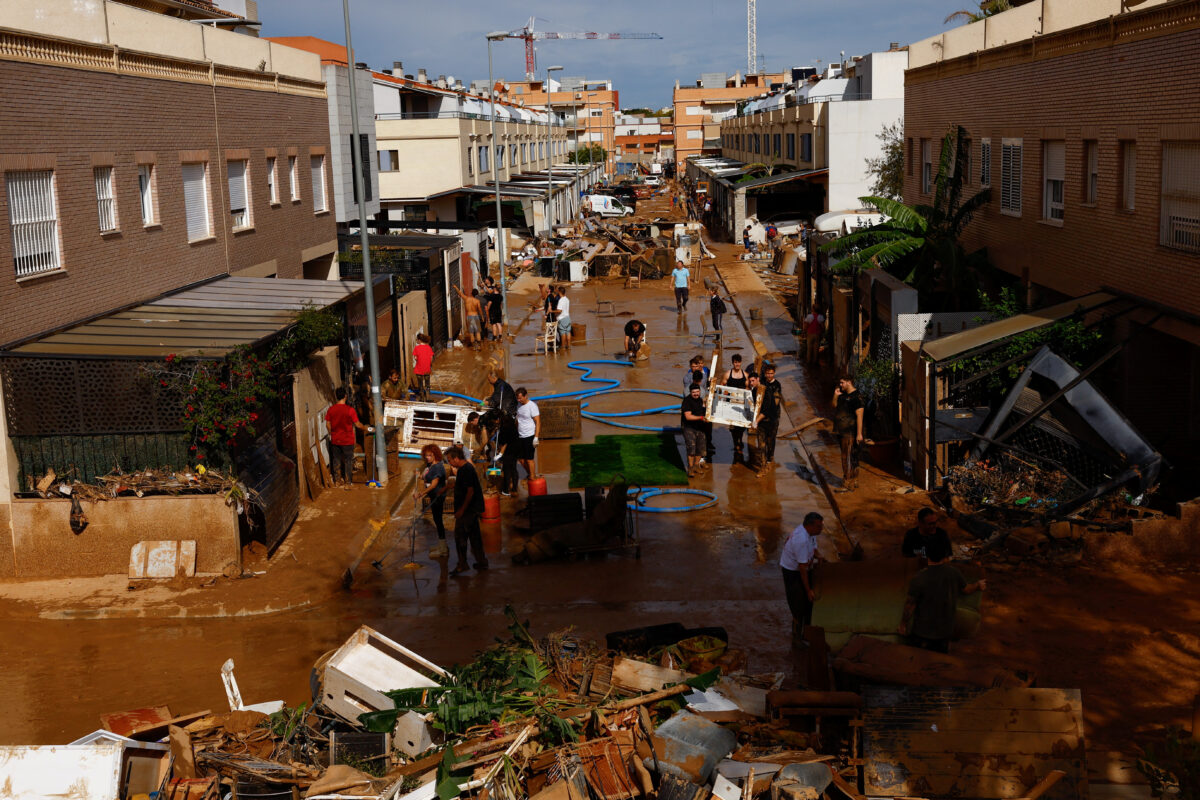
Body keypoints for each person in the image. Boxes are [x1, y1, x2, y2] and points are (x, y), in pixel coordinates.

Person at [899, 539, 986, 652]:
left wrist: (903, 624)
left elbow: (910, 605)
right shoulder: (953, 573)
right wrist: (978, 585)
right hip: (943, 634)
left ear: (928, 555)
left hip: (921, 632)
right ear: (945, 555)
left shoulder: (919, 577)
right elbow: (967, 590)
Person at [444, 446, 487, 576]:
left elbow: (470, 491)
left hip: (467, 510)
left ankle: (462, 564)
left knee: (460, 537)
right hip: (473, 509)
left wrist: (461, 510)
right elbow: (465, 486)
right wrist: (451, 486)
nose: (449, 463)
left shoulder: (465, 470)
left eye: (449, 460)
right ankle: (481, 562)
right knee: (475, 537)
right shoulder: (466, 469)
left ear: (456, 458)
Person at [780, 512, 823, 633]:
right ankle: (797, 636)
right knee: (797, 605)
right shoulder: (801, 540)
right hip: (792, 572)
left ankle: (807, 630)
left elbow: (814, 548)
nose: (821, 529)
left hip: (803, 567)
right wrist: (808, 590)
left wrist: (819, 556)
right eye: (819, 526)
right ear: (810, 526)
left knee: (808, 604)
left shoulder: (811, 534)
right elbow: (802, 569)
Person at [325, 386, 373, 488]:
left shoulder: (331, 410)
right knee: (348, 461)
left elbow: (327, 424)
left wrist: (332, 433)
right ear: (345, 396)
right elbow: (358, 425)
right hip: (347, 441)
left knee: (336, 460)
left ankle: (337, 481)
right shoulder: (350, 410)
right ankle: (348, 483)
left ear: (336, 396)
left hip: (335, 440)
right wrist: (368, 429)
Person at [416, 444, 449, 558]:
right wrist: (420, 476)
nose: (427, 458)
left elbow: (434, 484)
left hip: (437, 496)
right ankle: (441, 545)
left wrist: (420, 494)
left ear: (435, 455)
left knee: (438, 520)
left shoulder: (438, 467)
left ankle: (443, 549)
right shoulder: (430, 465)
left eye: (430, 456)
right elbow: (428, 477)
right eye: (426, 456)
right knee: (436, 519)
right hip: (433, 495)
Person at [833, 375, 865, 491]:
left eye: (842, 383)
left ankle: (847, 483)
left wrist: (859, 434)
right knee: (850, 456)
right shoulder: (842, 395)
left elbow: (859, 416)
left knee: (847, 457)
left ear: (849, 382)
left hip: (850, 431)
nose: (840, 385)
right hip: (841, 431)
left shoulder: (857, 397)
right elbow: (834, 406)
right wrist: (835, 396)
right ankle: (854, 480)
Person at [754, 363, 783, 474]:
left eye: (771, 373)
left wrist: (768, 405)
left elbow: (776, 402)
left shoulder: (777, 385)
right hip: (762, 417)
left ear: (774, 373)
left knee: (771, 440)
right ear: (765, 374)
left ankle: (770, 457)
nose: (769, 375)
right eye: (767, 373)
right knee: (761, 442)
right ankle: (763, 464)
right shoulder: (762, 382)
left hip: (773, 417)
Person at [723, 354, 750, 462]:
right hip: (731, 405)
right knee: (733, 427)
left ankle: (740, 441)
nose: (737, 364)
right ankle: (737, 444)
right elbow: (722, 387)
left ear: (741, 362)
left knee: (742, 426)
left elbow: (749, 388)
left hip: (742, 404)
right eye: (735, 362)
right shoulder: (727, 374)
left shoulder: (745, 375)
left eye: (738, 362)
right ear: (732, 363)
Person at [680, 382, 708, 478]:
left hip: (700, 427)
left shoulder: (701, 401)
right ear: (690, 392)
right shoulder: (687, 401)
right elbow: (688, 417)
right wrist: (701, 418)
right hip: (689, 427)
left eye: (697, 392)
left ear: (700, 391)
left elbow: (705, 412)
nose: (696, 394)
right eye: (693, 392)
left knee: (700, 448)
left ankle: (696, 466)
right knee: (691, 448)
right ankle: (690, 468)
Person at [515, 388, 540, 485]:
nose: (519, 400)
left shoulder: (532, 406)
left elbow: (538, 422)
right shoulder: (518, 405)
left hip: (529, 435)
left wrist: (536, 437)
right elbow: (518, 421)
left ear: (526, 396)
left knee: (529, 459)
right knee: (521, 459)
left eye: (520, 398)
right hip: (520, 436)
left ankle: (533, 478)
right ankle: (530, 474)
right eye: (517, 398)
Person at [496, 411, 520, 497]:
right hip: (516, 449)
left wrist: (500, 454)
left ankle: (505, 490)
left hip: (508, 451)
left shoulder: (503, 429)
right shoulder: (512, 425)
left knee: (507, 470)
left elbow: (504, 443)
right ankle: (514, 489)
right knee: (513, 468)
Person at [455, 286, 485, 350]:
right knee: (478, 332)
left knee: (471, 332)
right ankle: (479, 346)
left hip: (469, 316)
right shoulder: (477, 301)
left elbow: (460, 293)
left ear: (471, 293)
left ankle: (474, 346)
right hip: (476, 316)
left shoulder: (466, 299)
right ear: (477, 294)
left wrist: (455, 287)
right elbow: (480, 310)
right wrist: (482, 317)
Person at [412, 333, 434, 401]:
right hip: (427, 369)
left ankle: (421, 398)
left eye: (417, 340)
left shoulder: (416, 348)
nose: (416, 341)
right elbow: (431, 358)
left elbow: (415, 358)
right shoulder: (429, 347)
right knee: (427, 384)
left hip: (419, 369)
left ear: (419, 340)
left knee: (420, 384)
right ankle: (428, 397)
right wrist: (430, 364)